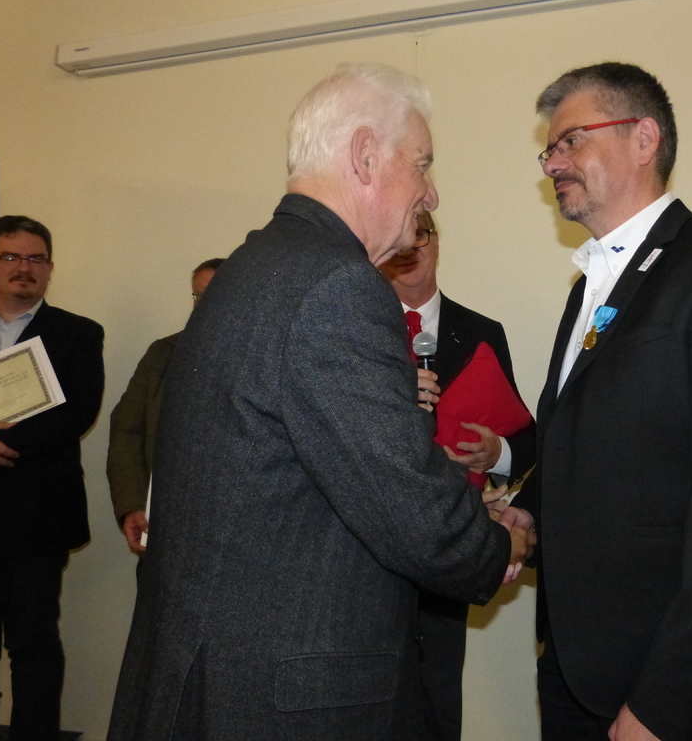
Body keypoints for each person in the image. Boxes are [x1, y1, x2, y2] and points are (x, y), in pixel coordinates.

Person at [107, 63, 534, 741]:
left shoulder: (256, 265)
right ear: (365, 156)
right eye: (422, 164)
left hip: (222, 672)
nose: (432, 193)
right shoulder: (337, 287)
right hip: (281, 695)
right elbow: (410, 511)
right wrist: (500, 541)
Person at [517, 62, 692, 741]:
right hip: (572, 665)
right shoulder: (587, 289)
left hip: (656, 679)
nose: (553, 164)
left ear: (644, 138)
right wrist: (524, 512)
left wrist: (666, 697)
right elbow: (589, 445)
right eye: (548, 150)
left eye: (571, 141)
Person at [379, 211, 536, 741]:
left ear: (437, 243)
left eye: (420, 236)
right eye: (399, 241)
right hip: (370, 553)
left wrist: (496, 453)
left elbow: (528, 438)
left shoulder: (481, 332)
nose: (411, 250)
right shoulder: (356, 332)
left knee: (438, 704)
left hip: (450, 546)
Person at [0, 215, 105, 741]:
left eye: (35, 258)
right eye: (10, 257)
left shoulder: (80, 333)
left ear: (49, 267)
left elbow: (76, 414)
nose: (24, 267)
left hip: (39, 518)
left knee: (34, 646)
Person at [107, 257, 225, 554]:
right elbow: (126, 433)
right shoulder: (162, 355)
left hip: (237, 533)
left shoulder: (268, 360)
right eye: (200, 294)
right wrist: (132, 505)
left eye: (219, 292)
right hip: (165, 526)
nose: (206, 303)